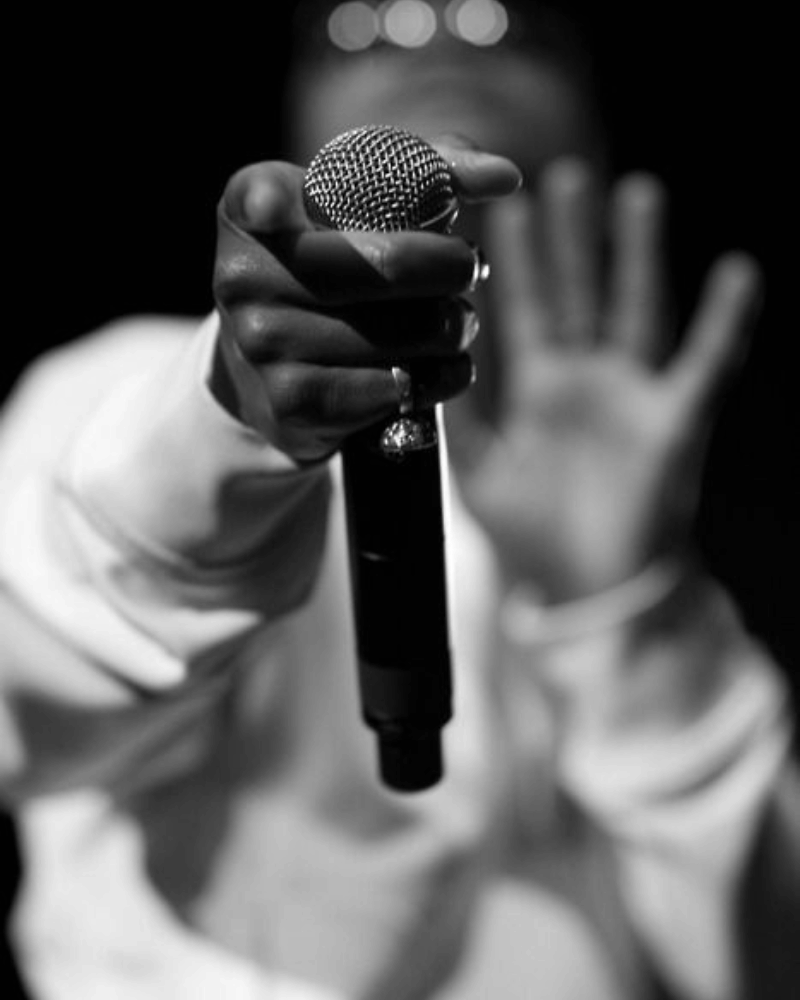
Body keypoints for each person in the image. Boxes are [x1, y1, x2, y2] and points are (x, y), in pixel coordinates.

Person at [1, 2, 797, 998]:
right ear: (297, 126)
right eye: (368, 25)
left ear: (592, 135)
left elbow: (767, 961)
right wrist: (226, 436)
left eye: (503, 23)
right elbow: (16, 717)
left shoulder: (641, 485)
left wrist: (627, 610)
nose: (439, 44)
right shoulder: (124, 397)